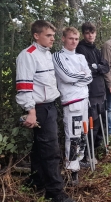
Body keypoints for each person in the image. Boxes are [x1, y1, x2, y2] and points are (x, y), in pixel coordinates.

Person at [16, 20, 74, 202]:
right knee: (51, 150)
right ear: (36, 35)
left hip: (50, 106)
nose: (52, 39)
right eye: (48, 35)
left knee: (39, 147)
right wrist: (30, 111)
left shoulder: (47, 54)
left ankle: (37, 181)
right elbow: (24, 86)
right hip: (39, 108)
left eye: (53, 35)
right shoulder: (28, 55)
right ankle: (56, 193)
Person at [53, 27, 92, 184]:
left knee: (83, 131)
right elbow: (66, 77)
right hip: (72, 101)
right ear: (63, 38)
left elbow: (89, 77)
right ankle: (72, 168)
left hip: (84, 99)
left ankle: (79, 159)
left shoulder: (81, 56)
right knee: (73, 135)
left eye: (76, 39)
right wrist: (80, 76)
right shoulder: (57, 56)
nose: (74, 42)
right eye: (70, 38)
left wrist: (80, 77)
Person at [75, 22, 109, 165]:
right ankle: (89, 154)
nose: (90, 35)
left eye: (92, 32)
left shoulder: (96, 49)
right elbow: (86, 70)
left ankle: (98, 147)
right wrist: (97, 68)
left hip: (101, 90)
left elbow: (106, 66)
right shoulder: (81, 49)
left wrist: (98, 67)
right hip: (90, 92)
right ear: (84, 34)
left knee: (103, 122)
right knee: (92, 124)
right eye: (88, 33)